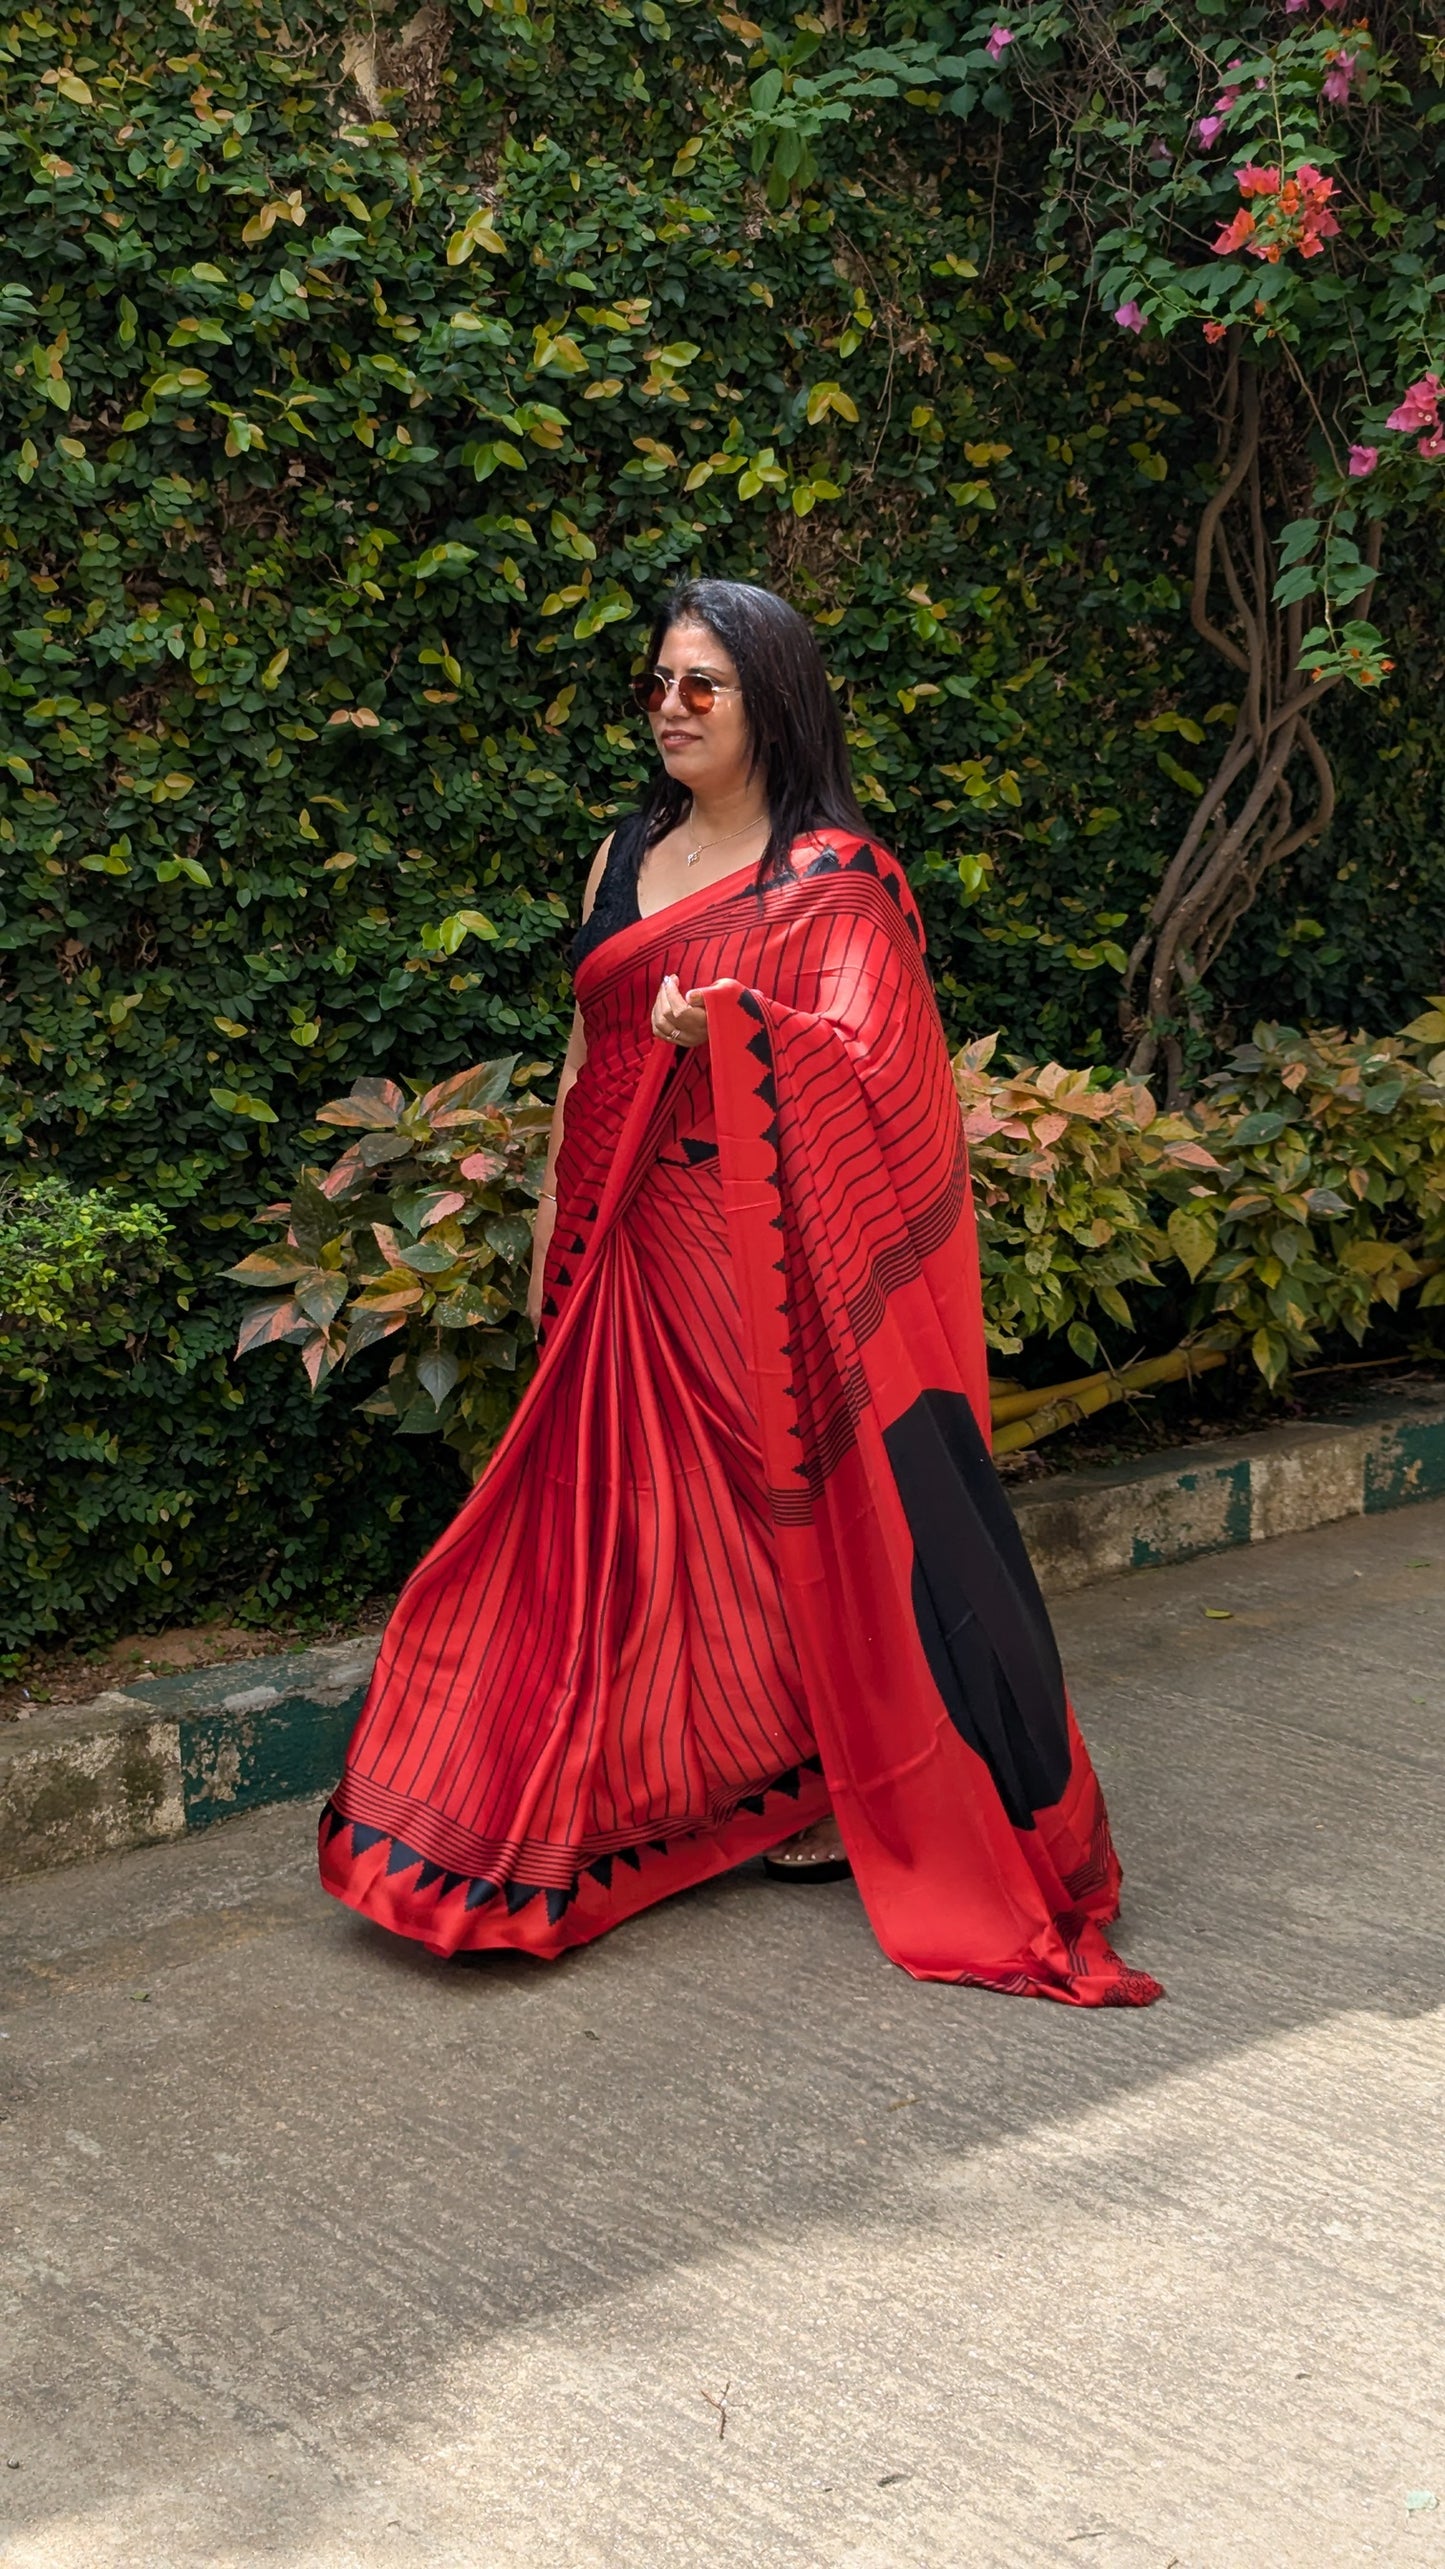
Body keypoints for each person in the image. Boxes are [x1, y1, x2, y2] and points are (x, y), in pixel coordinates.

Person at [320, 578, 1162, 2007]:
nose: (667, 707)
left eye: (700, 684)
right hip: (609, 1229)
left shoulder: (829, 873)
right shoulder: (619, 853)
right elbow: (584, 1047)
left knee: (788, 1516)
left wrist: (737, 1029)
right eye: (656, 682)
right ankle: (611, 1796)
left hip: (753, 1251)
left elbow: (876, 1066)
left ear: (771, 698)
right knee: (608, 1531)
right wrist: (545, 1223)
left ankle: (838, 1778)